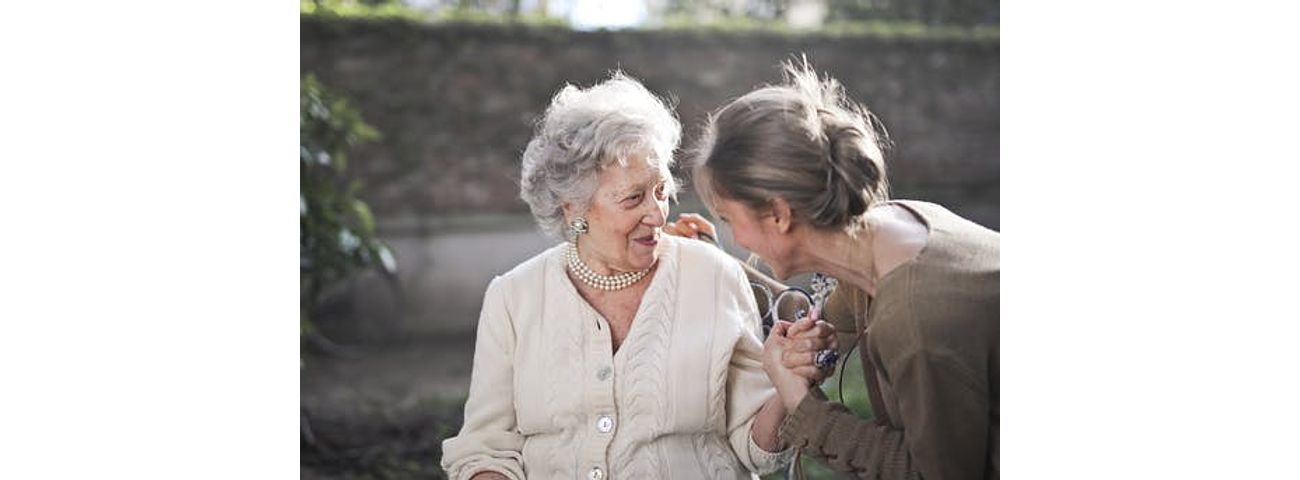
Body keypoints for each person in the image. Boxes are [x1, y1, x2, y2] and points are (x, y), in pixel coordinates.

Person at [439, 70, 838, 480]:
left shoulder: (713, 276)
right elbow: (484, 449)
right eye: (633, 198)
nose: (657, 213)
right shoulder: (513, 297)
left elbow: (758, 450)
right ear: (572, 208)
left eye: (661, 191)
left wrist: (787, 383)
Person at [686, 56, 1001, 480]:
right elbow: (817, 316)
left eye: (728, 219)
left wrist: (804, 407)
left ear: (778, 215)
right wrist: (709, 257)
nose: (736, 238)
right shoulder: (894, 229)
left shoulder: (916, 319)